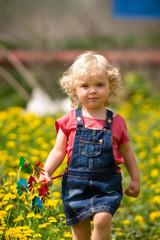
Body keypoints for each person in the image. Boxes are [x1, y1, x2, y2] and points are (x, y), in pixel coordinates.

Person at [40, 51, 140, 240]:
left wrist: (135, 179)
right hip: (76, 186)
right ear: (74, 90)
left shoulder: (117, 122)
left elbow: (127, 151)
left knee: (103, 218)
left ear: (110, 87)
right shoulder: (69, 120)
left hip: (106, 185)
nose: (92, 90)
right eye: (85, 85)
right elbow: (58, 150)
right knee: (80, 231)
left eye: (99, 85)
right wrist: (46, 171)